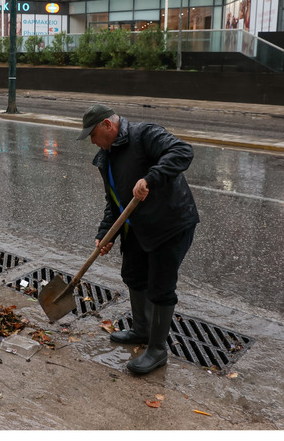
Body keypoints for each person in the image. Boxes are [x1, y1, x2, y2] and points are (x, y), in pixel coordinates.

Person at [77, 104, 199, 374]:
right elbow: (115, 203)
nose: (93, 142)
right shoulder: (105, 158)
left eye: (94, 135)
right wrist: (105, 234)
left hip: (170, 224)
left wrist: (150, 177)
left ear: (108, 125)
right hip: (137, 227)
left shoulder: (145, 134)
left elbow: (182, 151)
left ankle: (157, 351)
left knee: (160, 288)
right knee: (133, 275)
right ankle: (142, 330)